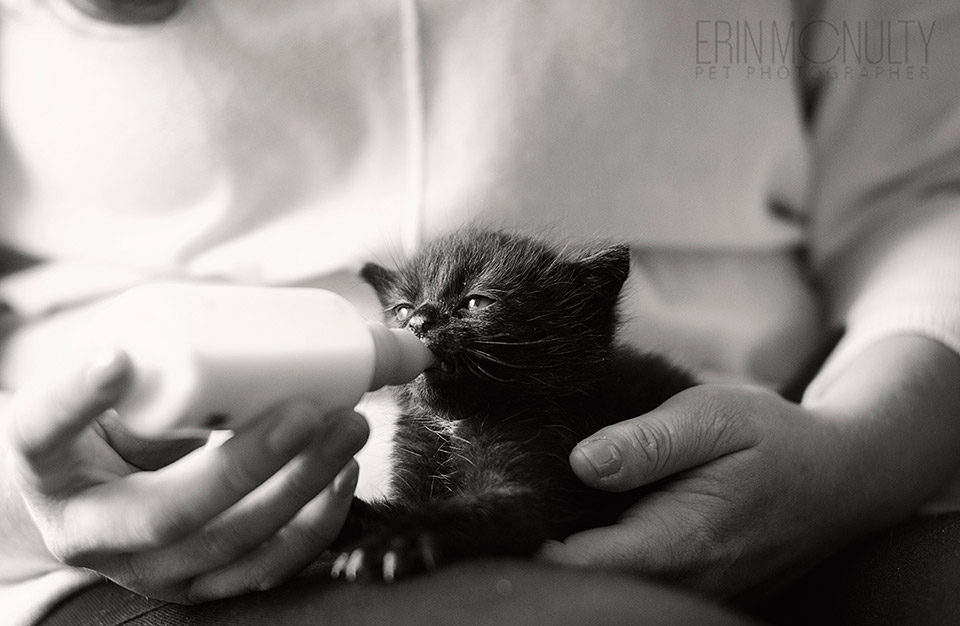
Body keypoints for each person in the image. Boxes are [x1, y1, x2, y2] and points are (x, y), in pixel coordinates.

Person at [1, 1, 959, 624]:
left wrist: (867, 446)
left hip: (818, 445)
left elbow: (929, 187)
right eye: (414, 308)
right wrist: (26, 492)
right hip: (134, 540)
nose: (420, 327)